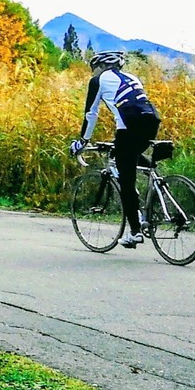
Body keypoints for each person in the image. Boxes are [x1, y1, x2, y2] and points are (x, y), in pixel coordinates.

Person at [70, 50, 161, 248]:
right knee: (129, 154)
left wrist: (82, 142)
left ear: (100, 66)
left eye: (93, 68)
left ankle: (135, 232)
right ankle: (161, 187)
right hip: (151, 122)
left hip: (128, 128)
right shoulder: (132, 77)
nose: (92, 73)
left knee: (127, 182)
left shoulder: (98, 81)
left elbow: (90, 114)